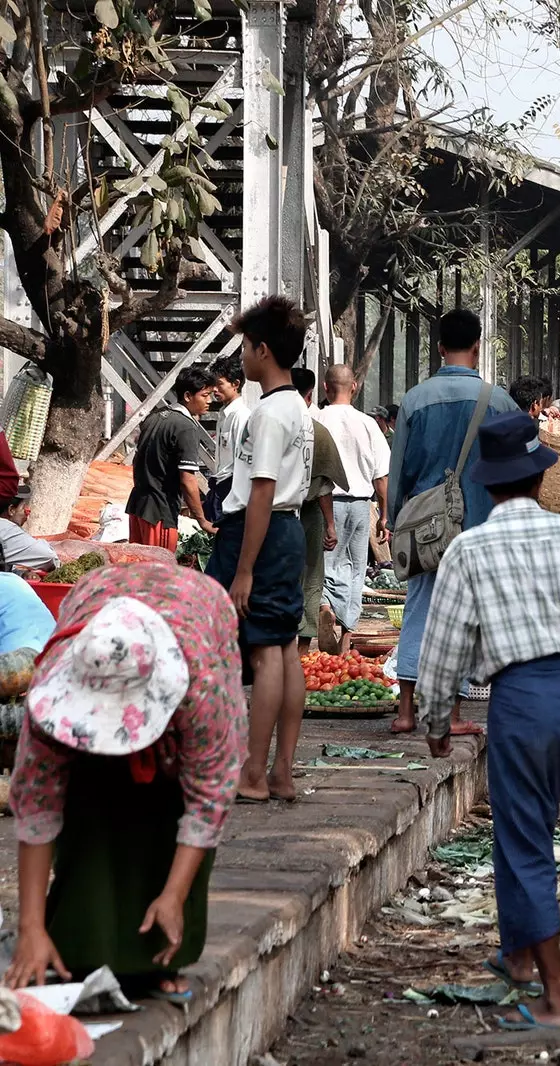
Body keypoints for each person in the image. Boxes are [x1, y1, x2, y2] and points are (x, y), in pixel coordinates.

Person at [417, 412, 560, 1029]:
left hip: (520, 701)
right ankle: (518, 955)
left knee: (522, 842)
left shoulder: (469, 549)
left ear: (487, 485)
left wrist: (437, 721)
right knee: (533, 823)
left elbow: (443, 649)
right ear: (540, 480)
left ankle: (553, 994)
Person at [5, 563, 246, 1001]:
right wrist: (30, 926)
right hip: (99, 599)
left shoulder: (204, 687)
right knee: (91, 798)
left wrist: (174, 894)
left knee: (166, 802)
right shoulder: (54, 677)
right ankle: (72, 943)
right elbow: (36, 804)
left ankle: (162, 955)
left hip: (197, 610)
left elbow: (209, 798)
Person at [203, 296, 314, 805]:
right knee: (286, 648)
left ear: (263, 351)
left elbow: (262, 491)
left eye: (245, 347)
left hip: (262, 533)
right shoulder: (297, 407)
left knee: (267, 652)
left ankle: (251, 772)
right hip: (286, 533)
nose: (241, 356)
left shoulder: (269, 413)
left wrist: (244, 569)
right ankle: (282, 772)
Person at [388, 309, 520, 735]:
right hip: (479, 527)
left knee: (419, 609)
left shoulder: (414, 399)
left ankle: (406, 712)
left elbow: (400, 469)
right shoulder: (498, 400)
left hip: (426, 527)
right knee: (463, 617)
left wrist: (395, 520)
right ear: (478, 347)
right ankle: (453, 715)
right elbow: (520, 463)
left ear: (440, 347)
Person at [315, 364, 390, 653]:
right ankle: (346, 640)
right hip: (360, 504)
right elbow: (381, 477)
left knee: (324, 563)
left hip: (324, 502)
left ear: (325, 387)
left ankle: (325, 605)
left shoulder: (316, 419)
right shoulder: (369, 424)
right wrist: (384, 516)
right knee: (357, 568)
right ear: (355, 387)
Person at [127, 365, 219, 550]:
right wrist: (202, 519)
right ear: (187, 396)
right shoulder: (185, 426)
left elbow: (138, 459)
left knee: (139, 570)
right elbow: (187, 479)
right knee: (160, 573)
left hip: (138, 506)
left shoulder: (155, 417)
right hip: (159, 512)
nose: (209, 401)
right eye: (204, 395)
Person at [291, 369, 347, 651]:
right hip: (309, 513)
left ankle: (278, 646)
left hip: (274, 514)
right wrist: (331, 525)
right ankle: (302, 649)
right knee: (311, 577)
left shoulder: (266, 422)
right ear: (311, 394)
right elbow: (324, 484)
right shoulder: (317, 431)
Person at [204, 354, 248, 524]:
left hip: (232, 489)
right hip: (220, 486)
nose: (215, 390)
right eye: (214, 385)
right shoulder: (224, 414)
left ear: (235, 384)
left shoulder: (242, 417)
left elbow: (243, 463)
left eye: (220, 384)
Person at [0, 486, 58, 573]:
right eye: (23, 507)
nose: (27, 511)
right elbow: (48, 556)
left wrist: (21, 574)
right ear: (11, 510)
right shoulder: (6, 528)